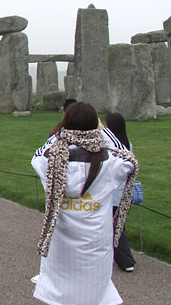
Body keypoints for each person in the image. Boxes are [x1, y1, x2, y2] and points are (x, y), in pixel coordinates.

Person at [31, 102, 138, 305]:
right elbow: (127, 156)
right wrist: (103, 131)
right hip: (94, 244)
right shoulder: (110, 164)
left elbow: (38, 154)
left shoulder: (50, 163)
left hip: (61, 246)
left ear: (65, 125)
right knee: (94, 295)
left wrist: (60, 133)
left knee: (60, 296)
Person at [105, 112, 136, 272]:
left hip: (112, 194)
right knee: (116, 226)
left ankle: (126, 261)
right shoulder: (127, 144)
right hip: (123, 192)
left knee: (115, 228)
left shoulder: (111, 145)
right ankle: (120, 258)